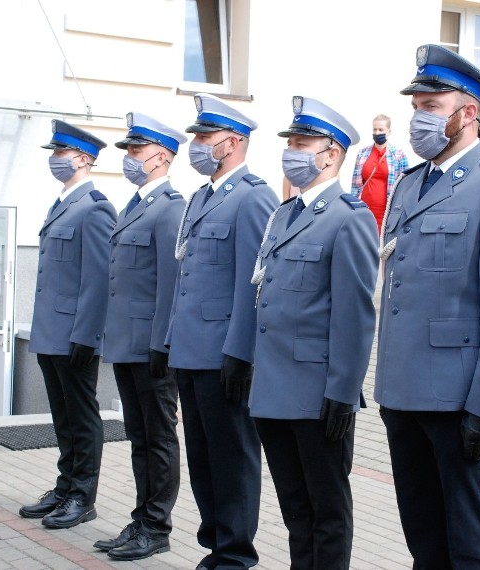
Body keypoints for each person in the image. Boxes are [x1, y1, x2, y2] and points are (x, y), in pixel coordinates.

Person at [374, 45, 480, 568]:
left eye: (432, 105)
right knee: (424, 538)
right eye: (416, 106)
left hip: (459, 403)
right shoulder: (408, 186)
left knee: (469, 543)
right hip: (403, 393)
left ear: (469, 114)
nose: (419, 116)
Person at [249, 96, 378, 569]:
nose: (293, 151)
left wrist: (344, 392)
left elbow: (355, 314)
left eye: (303, 143)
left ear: (331, 154)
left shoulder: (349, 217)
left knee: (327, 510)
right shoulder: (283, 215)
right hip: (273, 390)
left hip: (317, 395)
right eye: (291, 142)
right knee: (294, 508)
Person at [165, 93, 279, 570]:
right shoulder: (201, 198)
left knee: (232, 457)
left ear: (232, 143)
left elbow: (251, 285)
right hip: (191, 349)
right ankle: (216, 543)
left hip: (222, 354)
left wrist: (241, 352)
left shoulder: (254, 197)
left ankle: (236, 553)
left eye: (205, 138)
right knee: (204, 457)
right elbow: (188, 275)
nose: (197, 145)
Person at [95, 113, 187, 561]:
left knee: (158, 437)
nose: (129, 158)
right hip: (127, 344)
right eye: (129, 151)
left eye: (136, 151)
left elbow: (172, 282)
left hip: (151, 347)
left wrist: (162, 343)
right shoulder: (135, 205)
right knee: (139, 437)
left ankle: (157, 526)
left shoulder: (170, 208)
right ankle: (141, 519)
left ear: (162, 157)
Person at [20, 120, 117, 529]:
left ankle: (82, 495)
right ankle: (65, 487)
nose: (54, 160)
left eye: (60, 153)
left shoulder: (95, 208)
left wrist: (87, 334)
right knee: (62, 415)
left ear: (82, 158)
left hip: (74, 334)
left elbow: (98, 278)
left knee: (81, 415)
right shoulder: (63, 204)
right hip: (51, 331)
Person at [350, 114, 408, 232]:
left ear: (389, 131)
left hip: (386, 212)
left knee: (381, 246)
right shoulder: (362, 153)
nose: (377, 133)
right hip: (363, 210)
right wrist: (352, 207)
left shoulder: (398, 155)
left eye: (381, 130)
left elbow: (405, 186)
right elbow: (355, 185)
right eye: (374, 129)